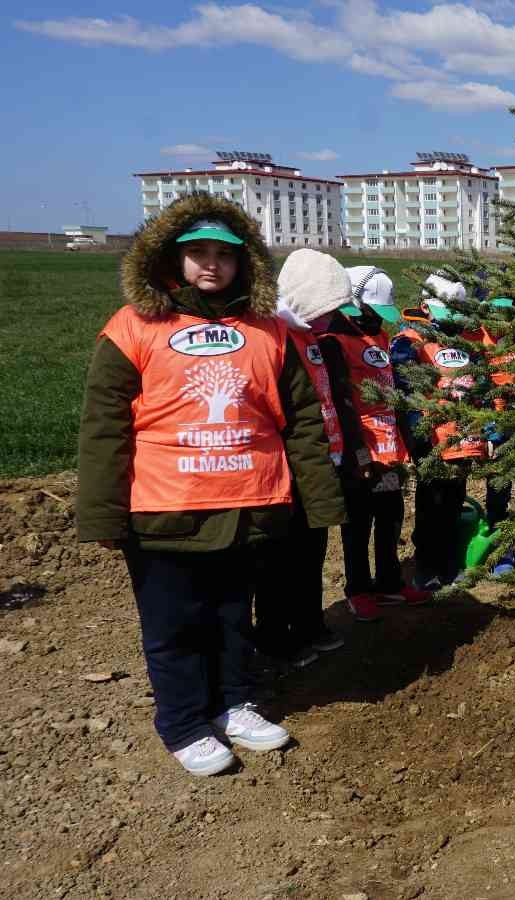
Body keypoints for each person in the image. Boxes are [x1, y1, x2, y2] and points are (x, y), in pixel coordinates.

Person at [75, 195, 343, 776]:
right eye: (197, 252)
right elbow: (104, 426)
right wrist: (100, 514)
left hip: (248, 506)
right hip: (163, 511)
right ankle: (183, 722)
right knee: (174, 625)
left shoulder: (269, 331)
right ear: (170, 259)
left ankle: (234, 703)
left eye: (225, 254)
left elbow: (299, 419)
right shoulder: (133, 328)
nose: (211, 265)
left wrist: (319, 499)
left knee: (231, 615)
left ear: (245, 263)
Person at [255, 249, 357, 667]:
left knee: (312, 552)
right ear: (302, 299)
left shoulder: (314, 339)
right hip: (286, 469)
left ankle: (310, 622)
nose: (330, 318)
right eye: (325, 308)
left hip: (321, 463)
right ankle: (276, 636)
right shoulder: (274, 339)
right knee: (279, 560)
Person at [391, 288, 493, 593]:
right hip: (431, 440)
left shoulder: (465, 342)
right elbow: (406, 392)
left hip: (463, 439)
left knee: (452, 501)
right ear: (425, 306)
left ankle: (450, 563)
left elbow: (481, 386)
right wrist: (418, 437)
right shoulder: (409, 342)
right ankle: (426, 565)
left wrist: (484, 431)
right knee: (430, 504)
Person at [330, 267, 412, 616]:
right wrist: (359, 455)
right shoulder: (335, 341)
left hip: (389, 451)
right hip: (361, 455)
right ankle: (359, 588)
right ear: (354, 300)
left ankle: (390, 583)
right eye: (373, 309)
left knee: (391, 515)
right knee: (358, 521)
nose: (379, 317)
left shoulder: (379, 336)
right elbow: (343, 405)